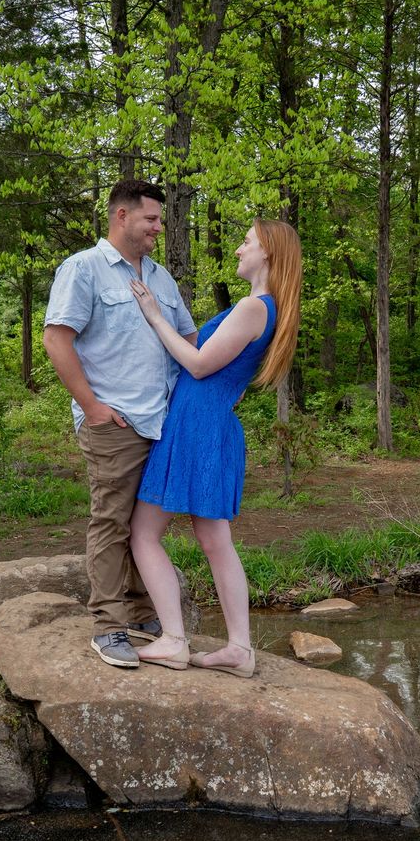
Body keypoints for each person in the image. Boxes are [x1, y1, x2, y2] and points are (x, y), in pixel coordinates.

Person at [125, 218, 302, 678]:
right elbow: (232, 380)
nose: (240, 249)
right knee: (215, 541)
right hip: (212, 426)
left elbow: (201, 365)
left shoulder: (254, 307)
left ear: (269, 253)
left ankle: (173, 641)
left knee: (144, 533)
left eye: (247, 242)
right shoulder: (268, 310)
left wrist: (155, 316)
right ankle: (239, 650)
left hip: (196, 429)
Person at [42, 180, 197, 668]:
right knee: (111, 521)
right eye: (151, 219)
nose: (158, 227)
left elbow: (188, 338)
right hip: (115, 421)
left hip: (162, 423)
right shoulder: (83, 269)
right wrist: (92, 407)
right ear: (122, 216)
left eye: (160, 220)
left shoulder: (161, 278)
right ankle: (109, 626)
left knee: (145, 526)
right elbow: (56, 339)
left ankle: (141, 612)